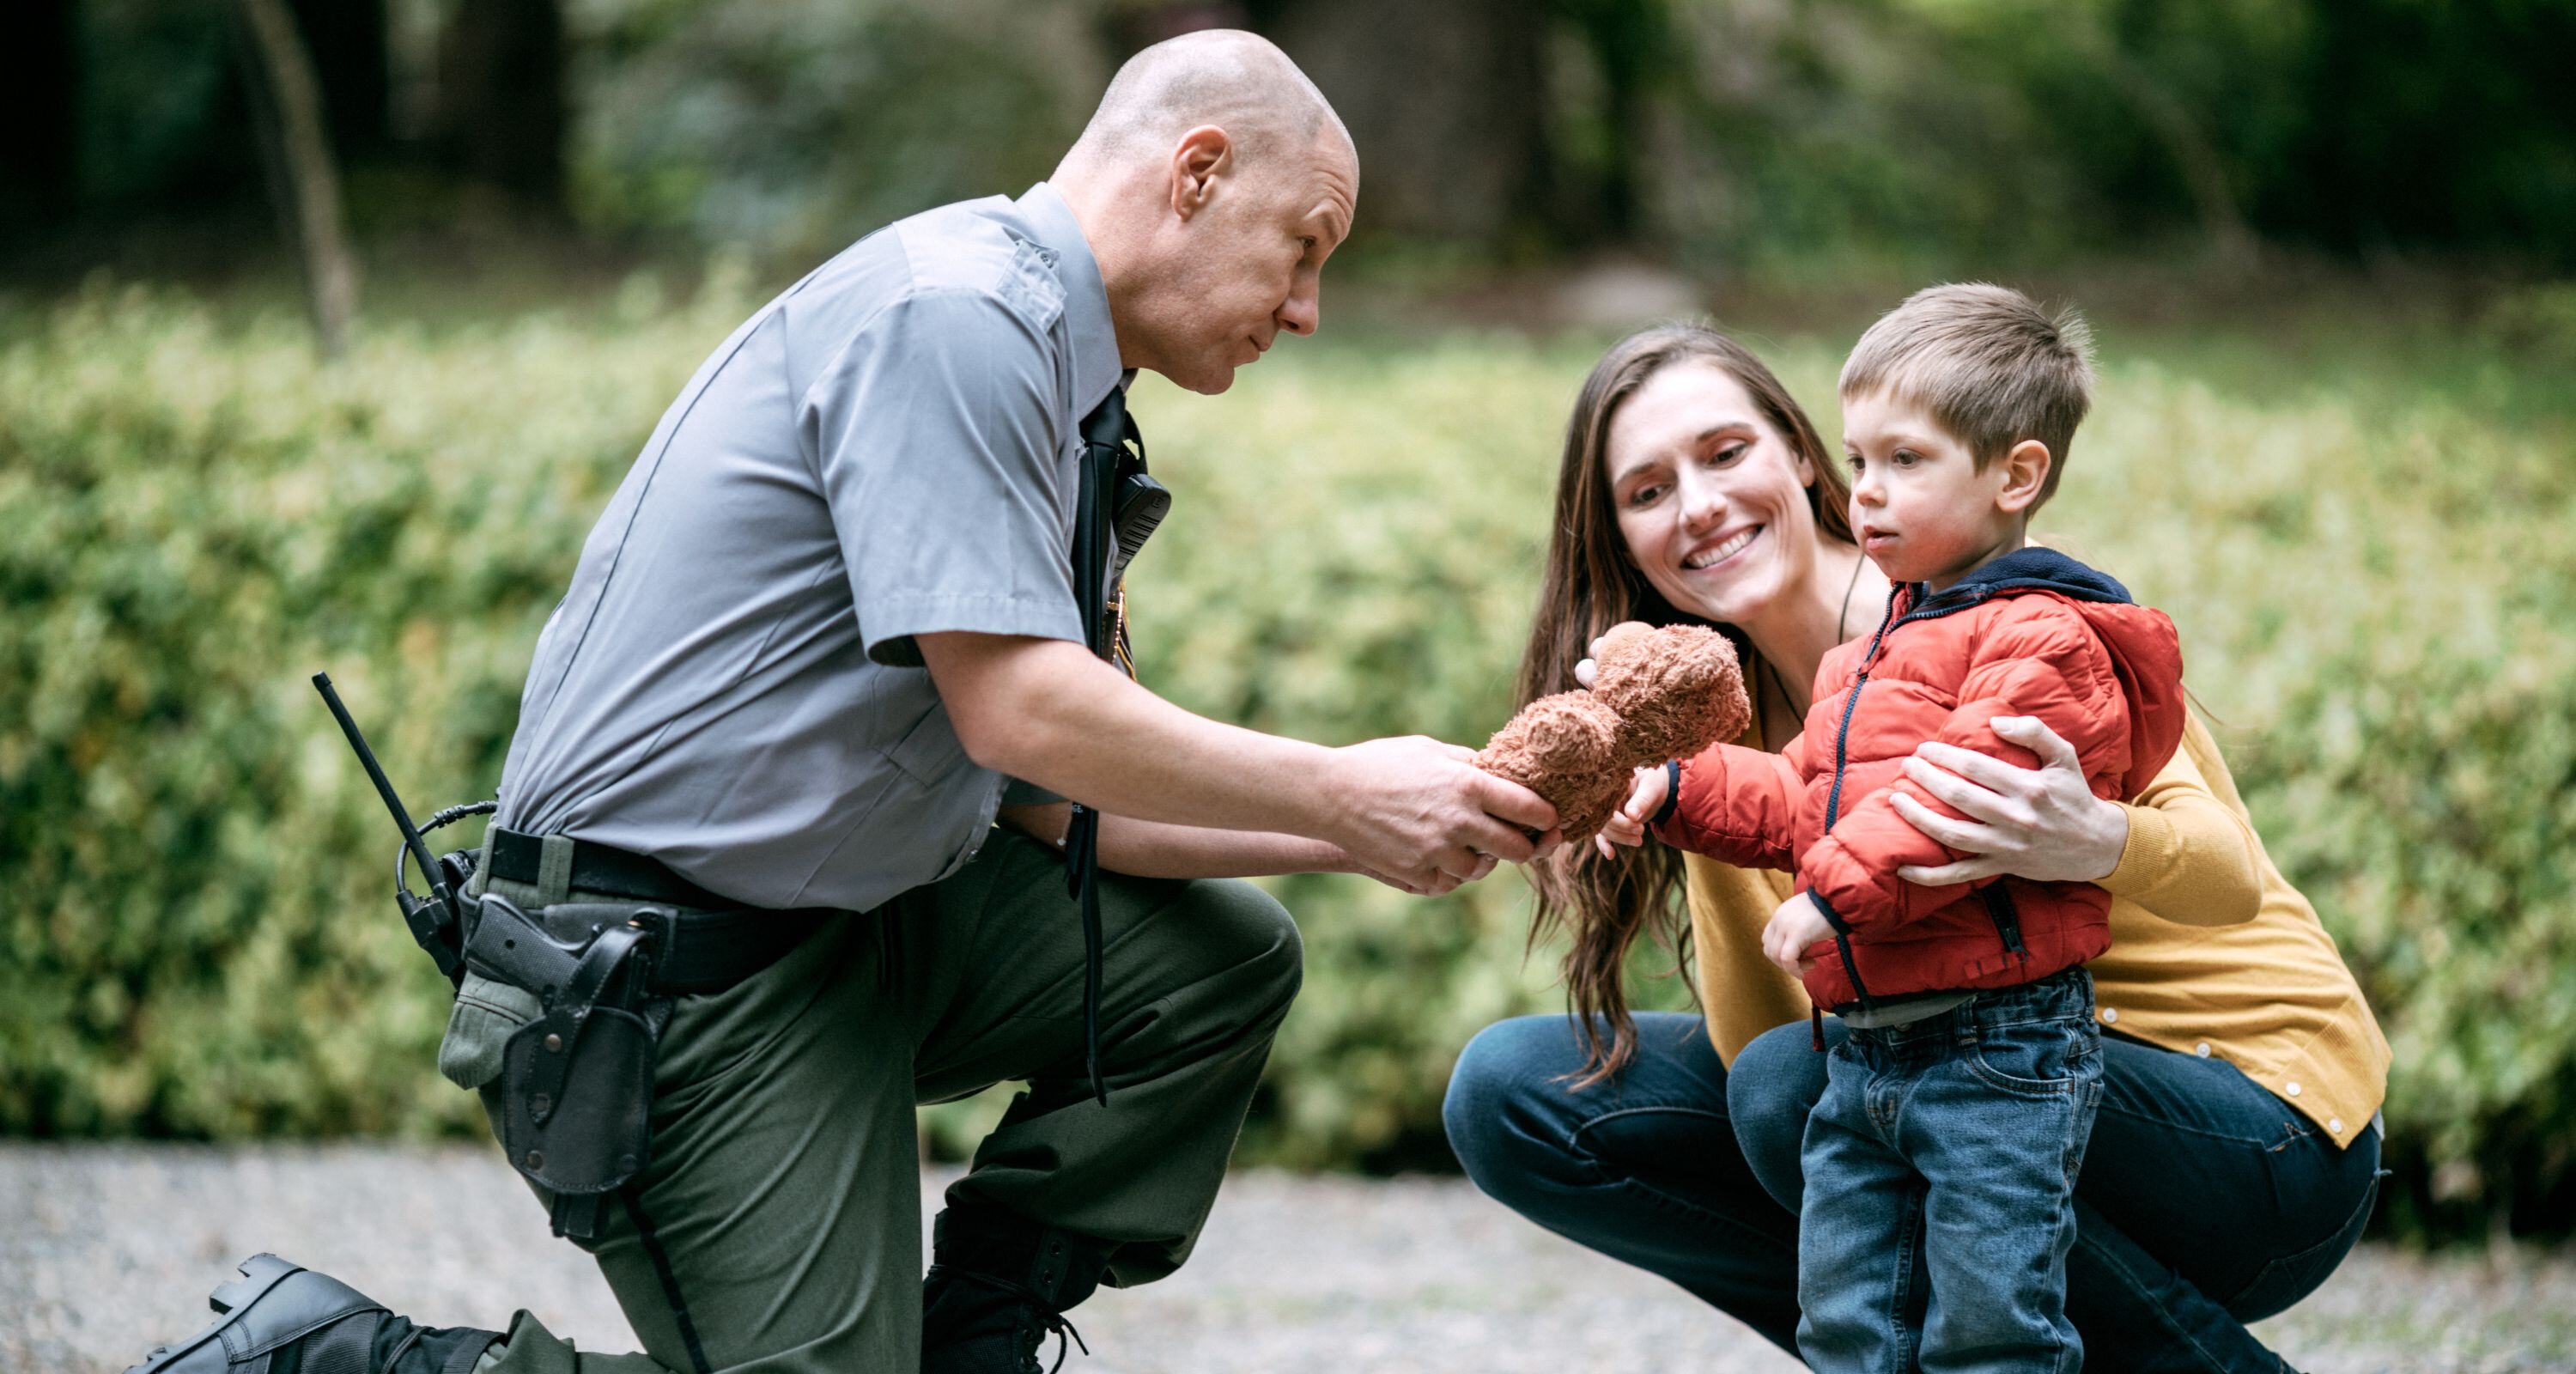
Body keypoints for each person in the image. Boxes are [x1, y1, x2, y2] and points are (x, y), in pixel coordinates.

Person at [131, 31, 1560, 1374]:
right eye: (1302, 252)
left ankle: (975, 1341)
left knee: (1218, 965)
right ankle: (332, 1355)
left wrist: (1382, 828)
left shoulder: (1069, 379)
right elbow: (1020, 712)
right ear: (1196, 176)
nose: (1307, 312)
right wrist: (1345, 790)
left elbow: (1058, 799)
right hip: (663, 969)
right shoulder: (962, 318)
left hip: (852, 926)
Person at [1444, 321, 2389, 1371]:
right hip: (1951, 1078)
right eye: (1648, 491)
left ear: (1799, 457)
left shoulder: (1989, 612)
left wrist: (2099, 835)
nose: (1699, 504)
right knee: (1520, 1090)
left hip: (2249, 1128)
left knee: (1809, 1088)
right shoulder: (1705, 717)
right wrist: (1673, 792)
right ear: (1623, 538)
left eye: (1724, 454)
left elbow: (2230, 881)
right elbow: (1771, 1038)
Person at [1595, 284, 2185, 1372]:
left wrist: (1834, 899)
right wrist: (1673, 786)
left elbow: (1953, 803)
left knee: (1990, 1323)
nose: (1867, 494)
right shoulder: (1868, 657)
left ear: (2016, 477)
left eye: (1904, 462)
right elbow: (1805, 801)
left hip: (2003, 1047)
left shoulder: (2042, 636)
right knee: (1852, 1322)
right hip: (1877, 1043)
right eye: (1860, 460)